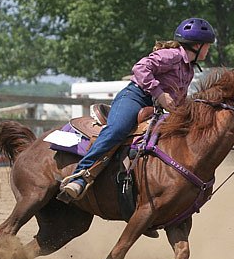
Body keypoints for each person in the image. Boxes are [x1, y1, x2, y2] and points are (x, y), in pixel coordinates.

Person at [60, 17, 216, 201]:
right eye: (207, 45)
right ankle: (80, 177)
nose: (209, 49)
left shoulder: (189, 70)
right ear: (197, 46)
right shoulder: (172, 55)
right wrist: (159, 93)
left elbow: (177, 100)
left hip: (155, 108)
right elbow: (140, 68)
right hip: (135, 96)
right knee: (117, 130)